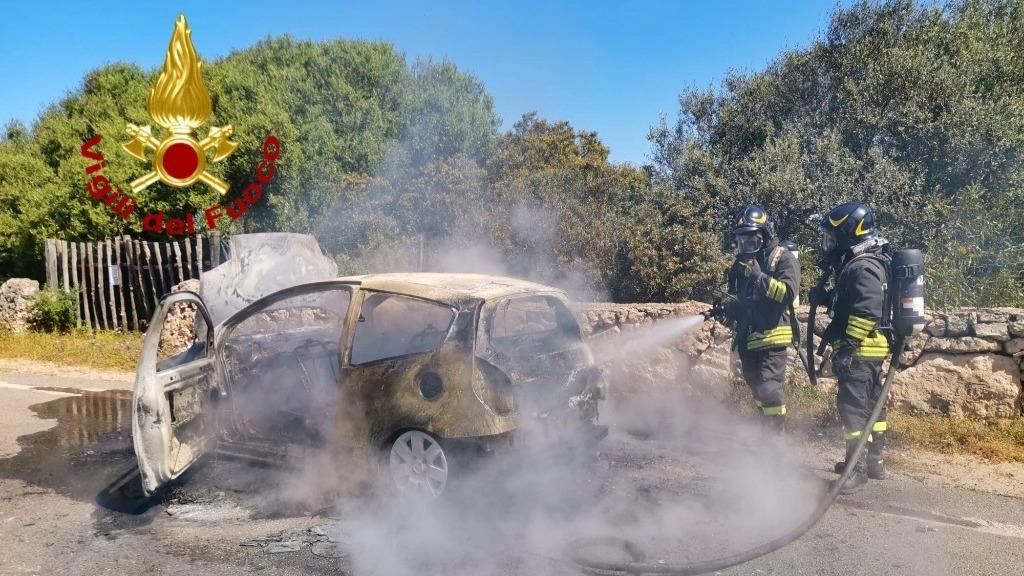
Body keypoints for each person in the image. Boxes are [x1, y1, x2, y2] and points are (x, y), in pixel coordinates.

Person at [815, 202, 891, 494]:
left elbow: (867, 311)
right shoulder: (865, 262)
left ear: (848, 234)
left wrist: (848, 347)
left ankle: (855, 469)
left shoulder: (863, 266)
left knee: (853, 410)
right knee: (873, 406)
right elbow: (851, 303)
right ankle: (874, 462)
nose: (829, 244)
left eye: (832, 237)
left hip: (861, 349)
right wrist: (826, 297)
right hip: (872, 348)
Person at [721, 204, 800, 433]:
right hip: (749, 339)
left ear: (765, 236)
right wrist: (729, 307)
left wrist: (759, 277)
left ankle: (776, 442)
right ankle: (766, 434)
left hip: (773, 338)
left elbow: (787, 294)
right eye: (742, 241)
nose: (746, 246)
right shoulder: (740, 265)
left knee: (769, 389)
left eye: (752, 240)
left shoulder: (782, 258)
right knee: (757, 389)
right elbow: (739, 297)